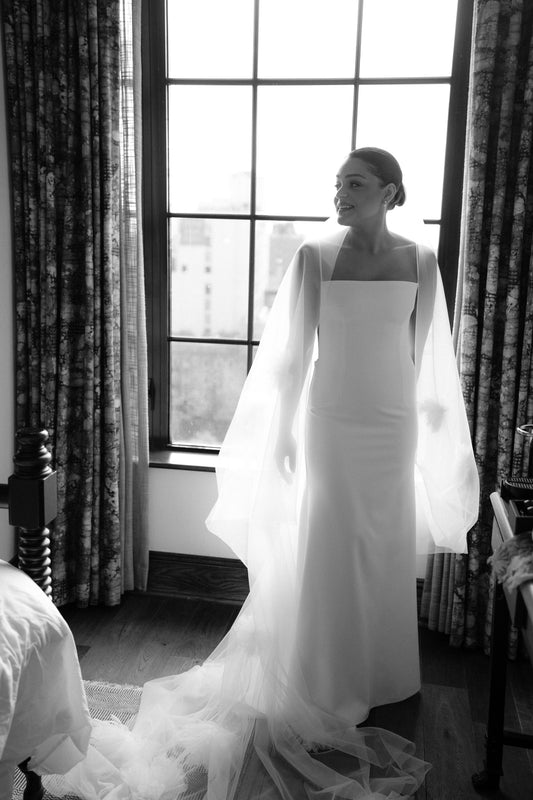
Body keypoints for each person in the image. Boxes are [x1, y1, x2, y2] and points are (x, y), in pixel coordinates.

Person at [45, 148, 479, 799]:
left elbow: (424, 357)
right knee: (332, 543)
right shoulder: (314, 256)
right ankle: (325, 680)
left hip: (392, 427)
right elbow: (290, 359)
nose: (340, 193)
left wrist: (430, 428)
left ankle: (382, 671)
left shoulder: (418, 259)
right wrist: (280, 437)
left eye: (354, 184)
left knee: (380, 547)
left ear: (390, 191)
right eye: (337, 183)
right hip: (331, 421)